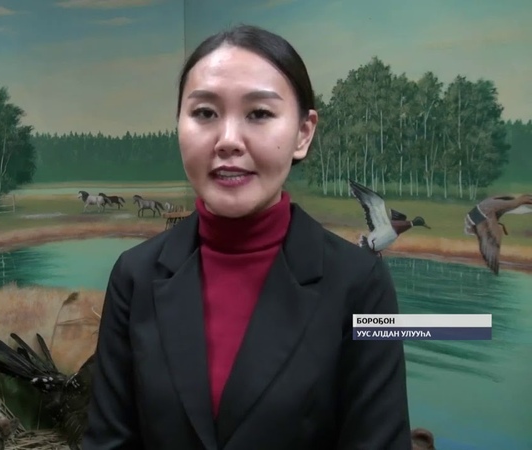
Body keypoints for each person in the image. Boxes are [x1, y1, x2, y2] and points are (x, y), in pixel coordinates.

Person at [81, 23, 412, 449]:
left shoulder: (362, 285)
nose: (228, 141)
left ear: (303, 132)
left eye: (259, 113)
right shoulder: (135, 276)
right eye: (205, 113)